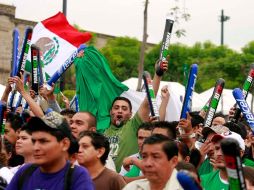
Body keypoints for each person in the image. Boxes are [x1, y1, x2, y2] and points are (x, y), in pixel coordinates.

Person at [104, 59, 168, 172]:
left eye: (124, 109)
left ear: (130, 114)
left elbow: (148, 101)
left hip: (126, 181)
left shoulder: (134, 125)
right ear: (110, 112)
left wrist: (158, 75)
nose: (119, 111)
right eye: (116, 107)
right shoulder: (102, 130)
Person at [6, 111, 94, 190]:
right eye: (33, 141)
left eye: (43, 141)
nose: (36, 147)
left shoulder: (78, 176)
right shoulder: (24, 172)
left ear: (64, 144)